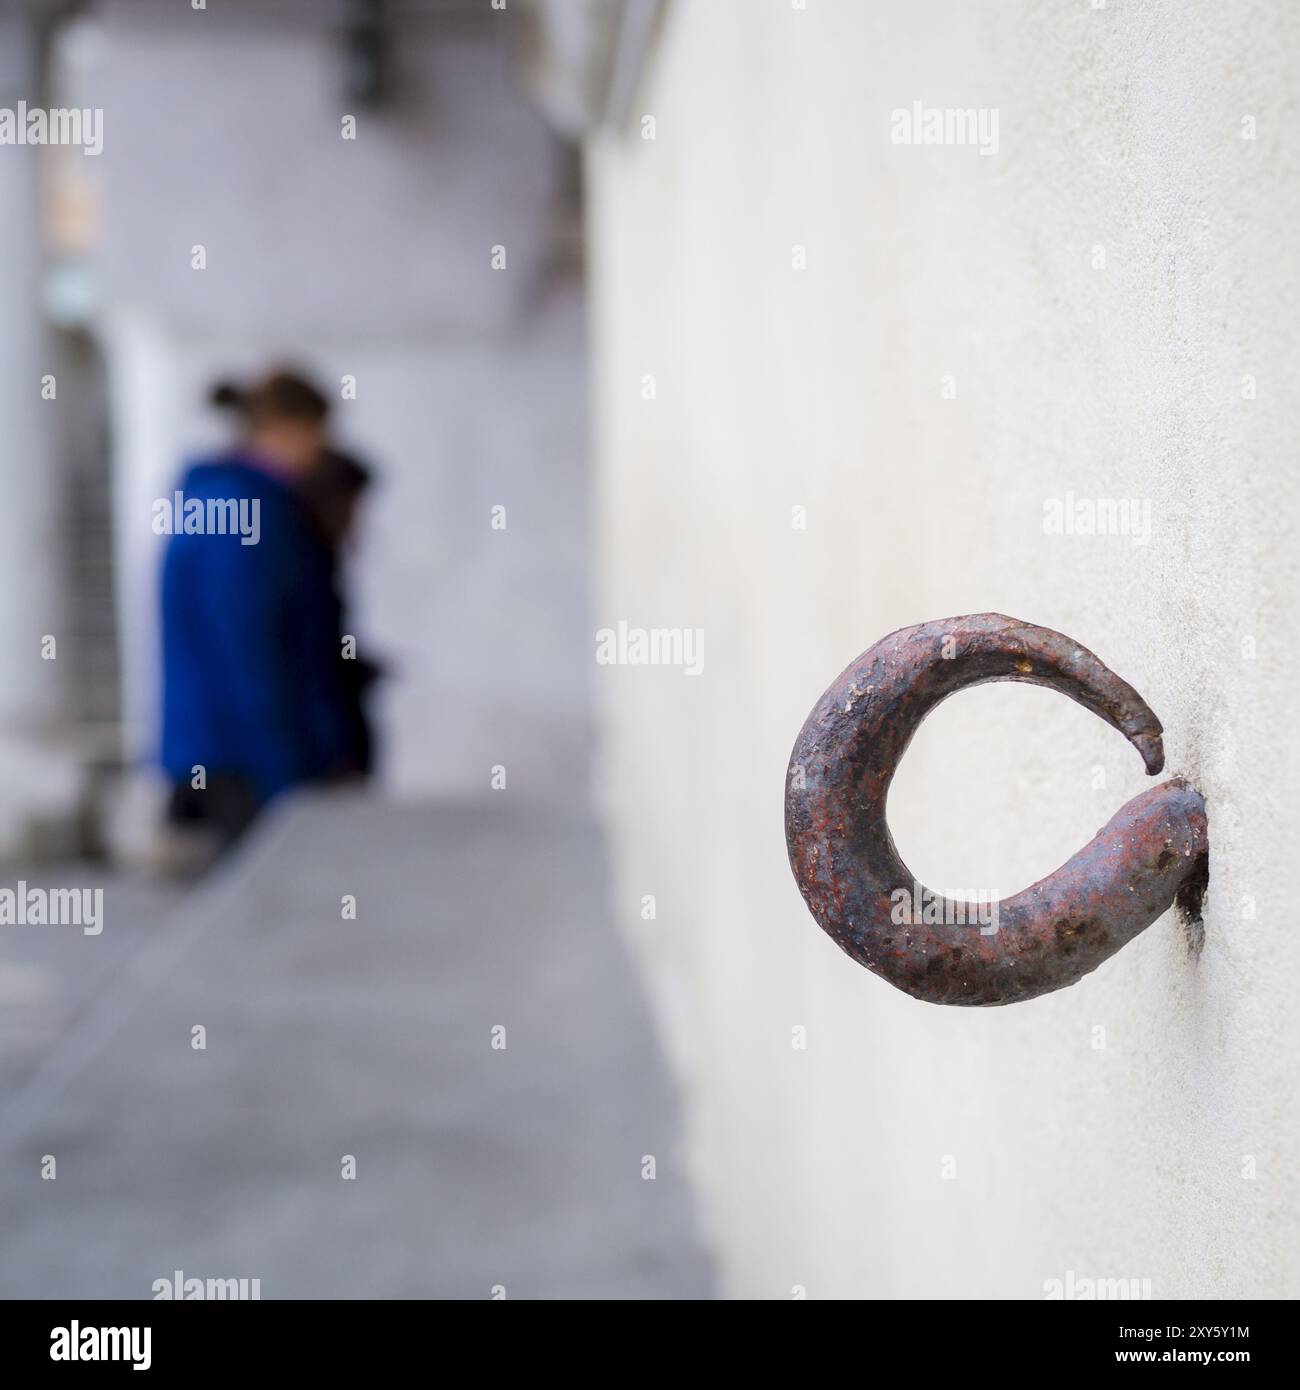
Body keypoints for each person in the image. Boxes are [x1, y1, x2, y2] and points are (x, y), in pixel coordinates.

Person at [160, 369, 358, 851]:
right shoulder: (239, 509)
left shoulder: (237, 500)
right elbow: (247, 647)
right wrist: (284, 771)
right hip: (242, 754)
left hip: (231, 747)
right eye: (316, 436)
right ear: (288, 429)